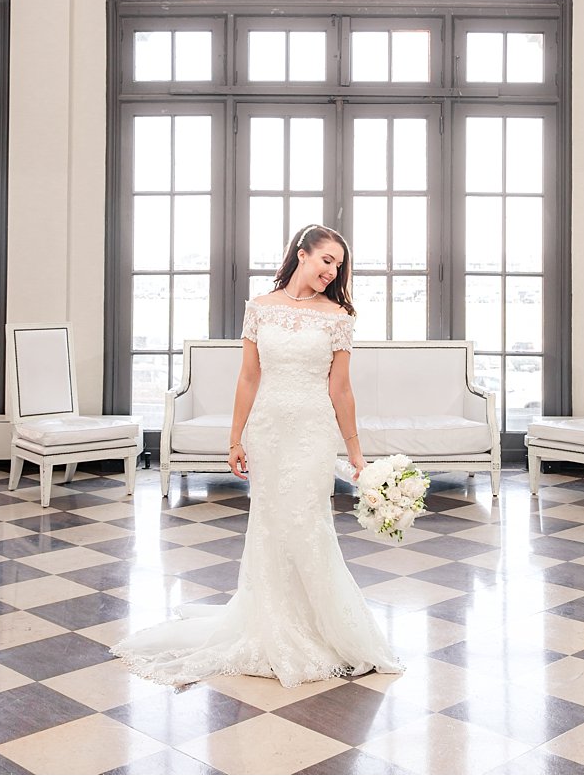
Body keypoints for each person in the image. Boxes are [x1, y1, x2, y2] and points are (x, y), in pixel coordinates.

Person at [111, 223, 403, 687]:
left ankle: (327, 629)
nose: (332, 271)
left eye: (339, 266)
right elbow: (248, 377)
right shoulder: (259, 310)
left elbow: (341, 388)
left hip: (311, 430)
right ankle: (270, 624)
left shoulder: (338, 317)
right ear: (302, 254)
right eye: (327, 260)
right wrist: (235, 439)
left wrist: (355, 453)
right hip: (268, 429)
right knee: (269, 523)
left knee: (307, 521)